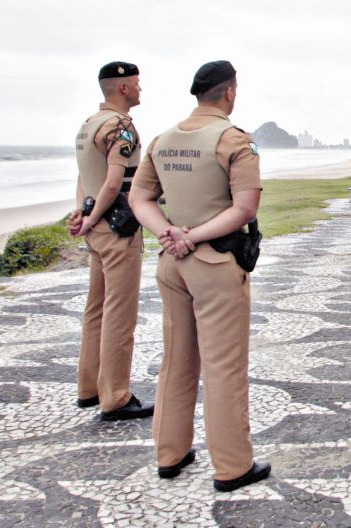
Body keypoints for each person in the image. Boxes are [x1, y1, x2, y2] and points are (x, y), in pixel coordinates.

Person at [129, 60, 270, 492]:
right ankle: (232, 466)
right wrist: (194, 237)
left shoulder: (162, 139)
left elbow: (140, 197)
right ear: (229, 92)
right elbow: (244, 208)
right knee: (224, 366)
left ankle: (170, 454)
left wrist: (168, 234)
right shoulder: (234, 140)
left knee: (176, 360)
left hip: (171, 264)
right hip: (213, 263)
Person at [68, 61, 154, 421]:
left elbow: (85, 178)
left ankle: (88, 387)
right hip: (117, 228)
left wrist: (81, 213)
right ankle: (116, 395)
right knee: (119, 313)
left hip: (95, 227)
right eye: (136, 83)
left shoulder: (89, 125)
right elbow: (113, 183)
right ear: (122, 88)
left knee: (96, 308)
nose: (139, 89)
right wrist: (91, 216)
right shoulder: (121, 127)